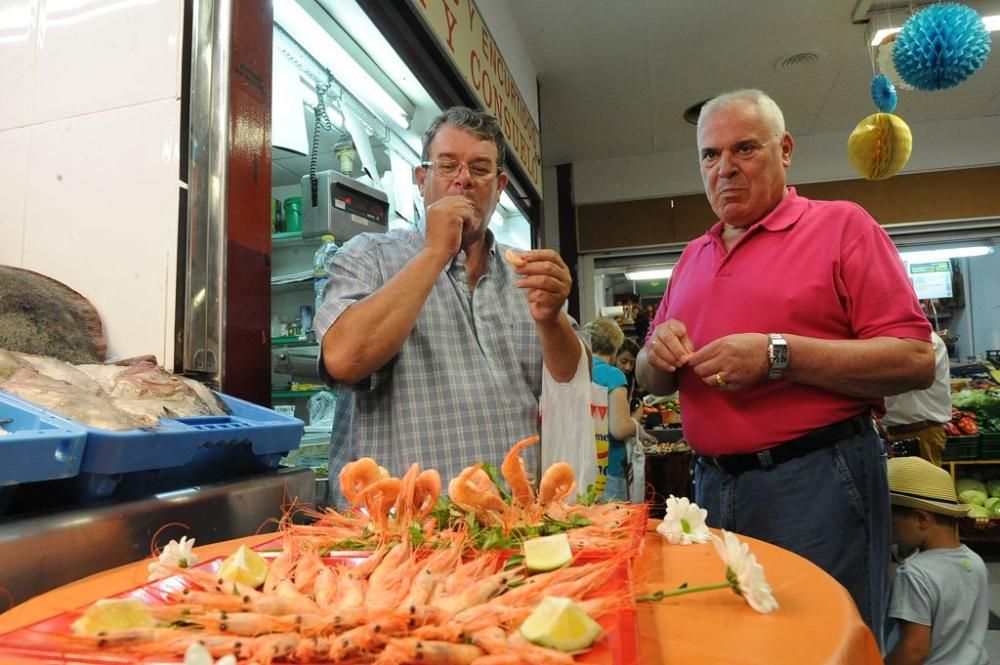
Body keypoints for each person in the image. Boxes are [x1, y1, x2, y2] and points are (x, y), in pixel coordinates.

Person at [635, 88, 934, 642]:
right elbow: (650, 380)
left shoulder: (842, 226)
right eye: (710, 154)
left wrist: (779, 355)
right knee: (736, 642)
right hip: (712, 485)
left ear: (786, 149)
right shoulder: (691, 257)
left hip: (816, 479)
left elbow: (915, 360)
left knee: (823, 637)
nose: (725, 169)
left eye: (744, 149)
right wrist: (656, 355)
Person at [315, 107, 582, 506]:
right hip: (398, 534)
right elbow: (343, 358)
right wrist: (435, 252)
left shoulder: (525, 272)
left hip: (509, 527)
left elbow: (571, 383)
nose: (463, 179)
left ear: (500, 186)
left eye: (480, 168)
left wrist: (552, 320)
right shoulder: (368, 256)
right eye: (447, 165)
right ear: (422, 180)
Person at [884, 456, 987, 665]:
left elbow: (913, 649)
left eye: (893, 525)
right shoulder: (975, 562)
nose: (892, 536)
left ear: (922, 519)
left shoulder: (914, 574)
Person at [584, 318, 636, 501]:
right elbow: (619, 429)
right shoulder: (613, 375)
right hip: (609, 470)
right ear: (615, 348)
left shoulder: (577, 371)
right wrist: (636, 425)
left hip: (581, 467)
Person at [883, 332, 952, 465]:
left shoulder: (926, 340)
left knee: (924, 484)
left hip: (921, 433)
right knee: (900, 483)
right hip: (894, 432)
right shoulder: (893, 339)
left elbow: (904, 376)